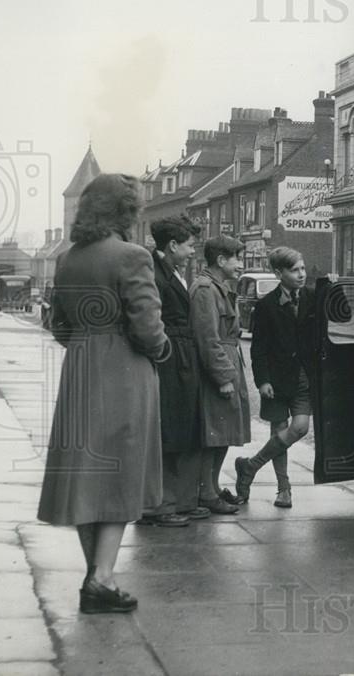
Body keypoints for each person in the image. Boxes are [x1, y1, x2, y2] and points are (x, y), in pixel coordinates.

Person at [37, 173, 170, 614]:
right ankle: (101, 578)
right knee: (120, 473)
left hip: (80, 370)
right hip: (123, 373)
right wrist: (161, 348)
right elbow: (149, 328)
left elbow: (58, 327)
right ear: (126, 212)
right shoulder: (133, 256)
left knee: (87, 476)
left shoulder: (68, 259)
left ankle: (95, 574)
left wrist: (86, 343)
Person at [235, 247, 347, 508]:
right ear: (279, 273)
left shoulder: (312, 297)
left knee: (299, 428)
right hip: (275, 380)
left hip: (304, 379)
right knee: (279, 430)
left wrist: (335, 290)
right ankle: (284, 489)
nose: (301, 274)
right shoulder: (266, 306)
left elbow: (344, 315)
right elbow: (259, 348)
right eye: (295, 270)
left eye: (303, 268)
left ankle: (250, 466)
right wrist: (262, 381)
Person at [137, 215, 208, 527]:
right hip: (170, 358)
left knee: (180, 428)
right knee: (169, 430)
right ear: (173, 245)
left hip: (180, 356)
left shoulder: (169, 270)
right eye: (190, 246)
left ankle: (177, 501)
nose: (193, 251)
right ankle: (159, 506)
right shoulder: (156, 274)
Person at [189, 235, 251, 514]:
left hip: (228, 362)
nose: (241, 264)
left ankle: (211, 488)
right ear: (221, 260)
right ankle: (206, 492)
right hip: (220, 368)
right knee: (214, 433)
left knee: (224, 432)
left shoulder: (218, 287)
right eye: (237, 258)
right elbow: (207, 338)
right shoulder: (205, 289)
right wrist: (224, 377)